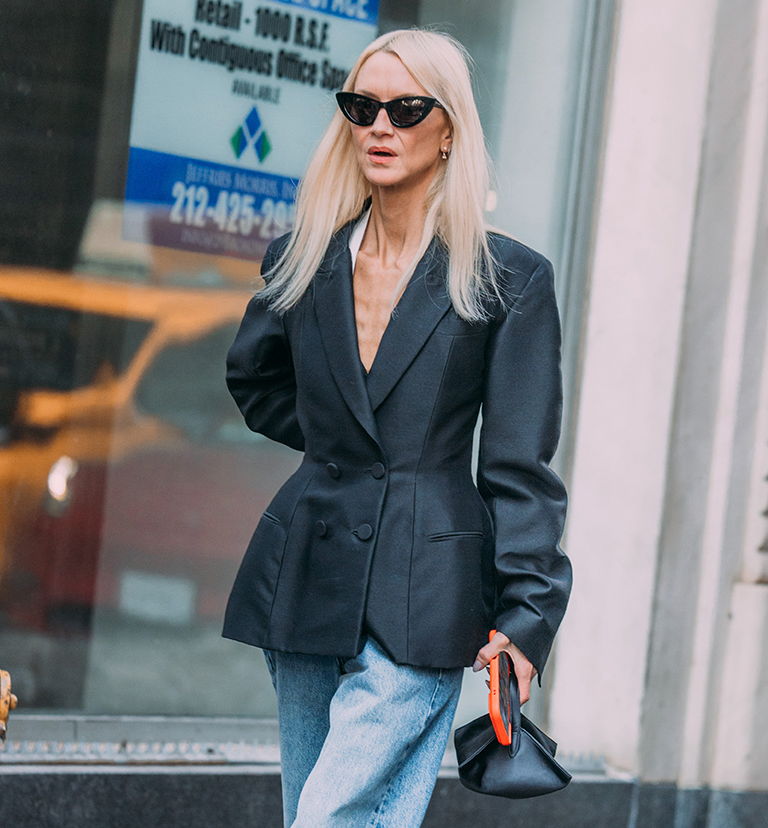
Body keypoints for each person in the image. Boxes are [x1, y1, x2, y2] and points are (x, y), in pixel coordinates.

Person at [223, 28, 572, 828]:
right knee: (319, 810)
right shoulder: (303, 257)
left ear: (449, 128)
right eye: (362, 106)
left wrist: (526, 615)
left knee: (327, 817)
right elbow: (255, 380)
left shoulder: (507, 278)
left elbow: (520, 463)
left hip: (431, 585)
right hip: (310, 562)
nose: (380, 126)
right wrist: (346, 451)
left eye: (407, 108)